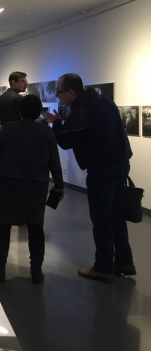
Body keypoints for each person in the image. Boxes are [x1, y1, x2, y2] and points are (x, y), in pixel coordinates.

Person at [44, 73, 135, 282]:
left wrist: (56, 123)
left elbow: (65, 141)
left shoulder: (82, 111)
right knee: (116, 216)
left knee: (102, 219)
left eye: (59, 92)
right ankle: (124, 261)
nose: (57, 96)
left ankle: (103, 267)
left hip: (101, 169)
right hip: (120, 165)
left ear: (71, 92)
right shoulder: (105, 102)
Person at [0, 95, 65, 284]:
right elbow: (54, 160)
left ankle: (0, 270)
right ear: (39, 111)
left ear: (20, 111)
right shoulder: (46, 131)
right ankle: (36, 273)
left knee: (3, 227)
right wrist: (59, 185)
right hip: (36, 184)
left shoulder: (9, 128)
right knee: (36, 228)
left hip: (9, 182)